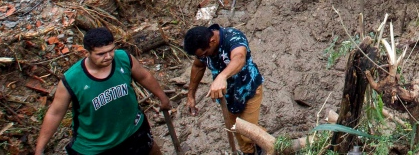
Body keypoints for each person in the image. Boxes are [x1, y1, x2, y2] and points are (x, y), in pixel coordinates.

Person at [34, 27, 171, 155]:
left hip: (132, 129)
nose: (108, 56)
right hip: (95, 146)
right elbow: (55, 113)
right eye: (101, 54)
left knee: (151, 149)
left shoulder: (123, 58)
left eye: (111, 50)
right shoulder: (72, 80)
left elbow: (144, 76)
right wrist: (39, 149)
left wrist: (162, 97)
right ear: (87, 52)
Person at [183, 25, 264, 155]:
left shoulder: (233, 37)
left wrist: (222, 76)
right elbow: (198, 66)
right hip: (227, 98)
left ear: (212, 41)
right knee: (236, 130)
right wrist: (191, 95)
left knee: (248, 134)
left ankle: (272, 145)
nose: (203, 57)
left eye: (204, 54)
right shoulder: (203, 49)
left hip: (249, 91)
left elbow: (239, 58)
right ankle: (249, 152)